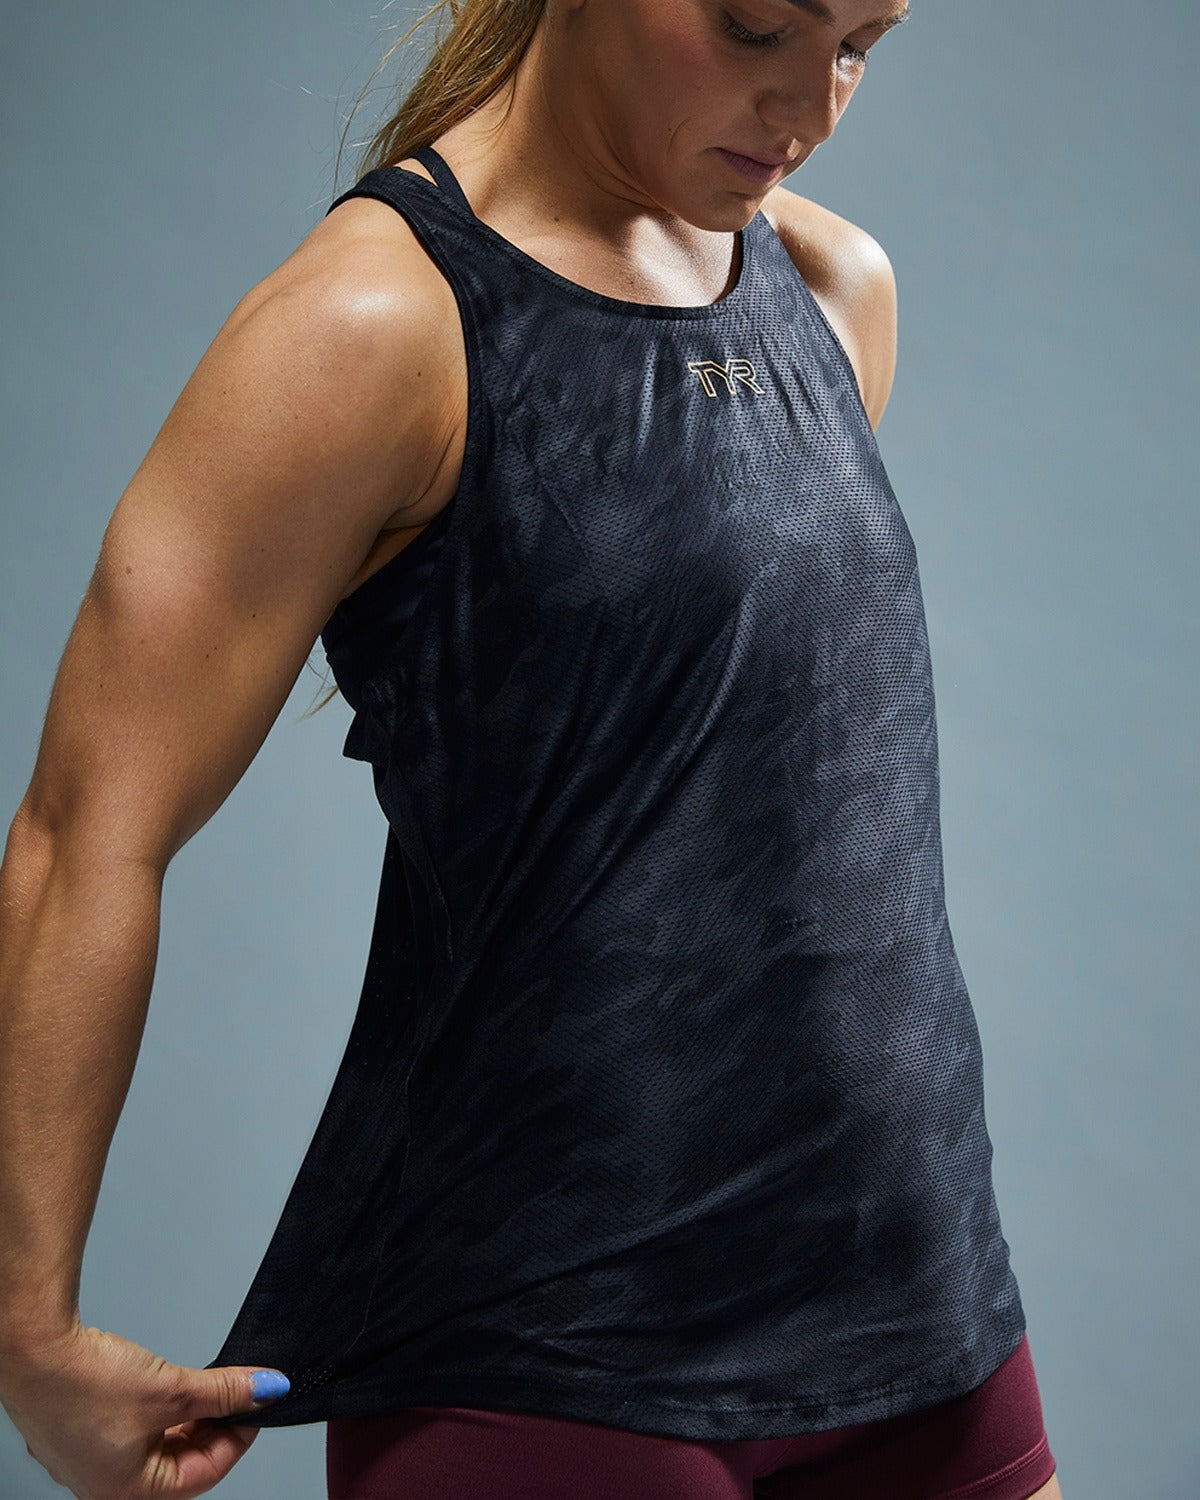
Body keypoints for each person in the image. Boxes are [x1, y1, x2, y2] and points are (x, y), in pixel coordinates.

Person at [0, 0, 1064, 1495]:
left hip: (917, 1303)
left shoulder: (832, 286)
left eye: (858, 42)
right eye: (758, 24)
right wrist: (23, 1327)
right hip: (543, 1355)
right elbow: (84, 834)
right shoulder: (369, 325)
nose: (812, 105)